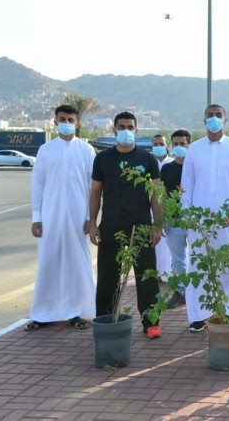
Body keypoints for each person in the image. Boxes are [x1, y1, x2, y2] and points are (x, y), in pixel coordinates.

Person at [180, 105, 229, 332]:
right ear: (204, 119)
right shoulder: (194, 148)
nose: (214, 119)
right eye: (210, 116)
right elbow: (187, 185)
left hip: (228, 219)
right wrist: (188, 214)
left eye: (218, 116)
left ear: (225, 119)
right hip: (199, 220)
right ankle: (198, 315)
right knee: (198, 265)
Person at [89, 112, 162, 338]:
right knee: (107, 276)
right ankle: (105, 320)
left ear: (136, 130)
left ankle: (151, 323)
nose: (125, 131)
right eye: (121, 127)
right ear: (114, 130)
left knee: (147, 276)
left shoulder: (147, 159)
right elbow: (95, 192)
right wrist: (93, 223)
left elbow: (156, 194)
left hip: (141, 227)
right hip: (110, 226)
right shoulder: (102, 159)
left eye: (130, 127)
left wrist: (157, 225)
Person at [26, 104, 96, 331]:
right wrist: (37, 217)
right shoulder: (46, 150)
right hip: (50, 215)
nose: (66, 123)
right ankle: (43, 314)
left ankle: (76, 312)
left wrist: (90, 217)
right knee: (49, 261)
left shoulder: (86, 150)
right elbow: (38, 186)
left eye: (70, 119)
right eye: (62, 119)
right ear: (55, 122)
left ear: (77, 123)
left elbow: (92, 188)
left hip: (78, 216)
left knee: (77, 263)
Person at [160, 129, 191, 308]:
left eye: (182, 144)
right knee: (177, 259)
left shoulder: (194, 167)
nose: (179, 147)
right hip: (174, 220)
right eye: (176, 144)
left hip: (194, 220)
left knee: (196, 257)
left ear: (189, 145)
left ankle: (197, 293)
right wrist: (163, 217)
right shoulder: (167, 168)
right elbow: (162, 194)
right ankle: (180, 292)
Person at [151, 134, 173, 280]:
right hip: (152, 208)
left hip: (169, 207)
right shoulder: (148, 162)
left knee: (169, 242)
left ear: (167, 145)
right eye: (156, 144)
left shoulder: (172, 163)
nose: (159, 146)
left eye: (161, 144)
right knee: (154, 242)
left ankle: (170, 273)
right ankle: (156, 273)